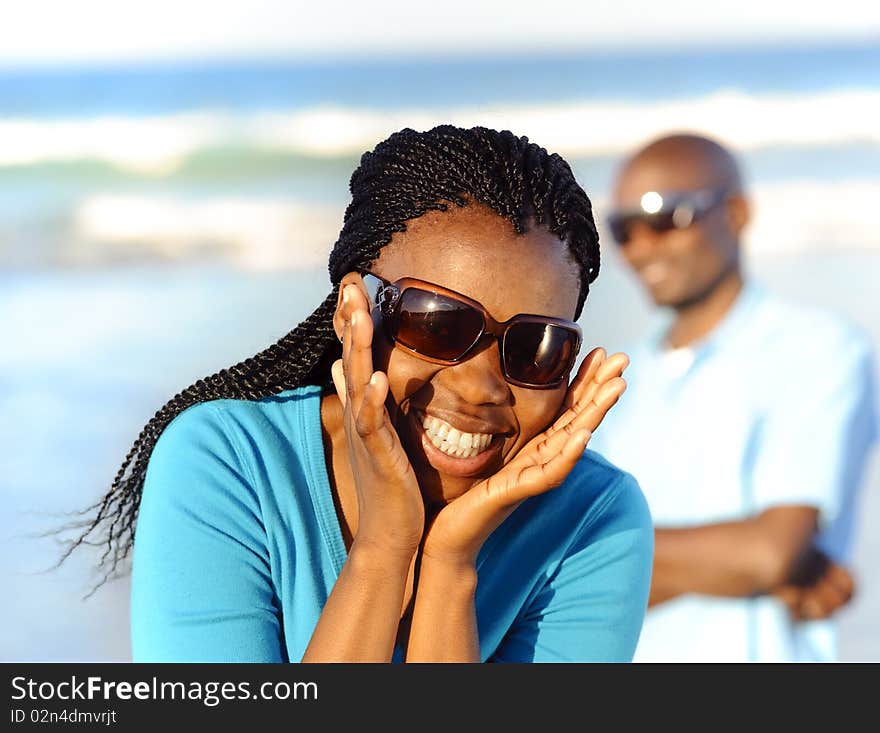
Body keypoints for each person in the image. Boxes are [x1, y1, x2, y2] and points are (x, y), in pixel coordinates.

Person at [64, 125, 654, 662]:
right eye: (437, 323)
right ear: (355, 313)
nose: (482, 386)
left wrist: (450, 566)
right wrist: (384, 547)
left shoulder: (595, 519)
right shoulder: (227, 461)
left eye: (536, 347)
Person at [589, 132, 879, 662]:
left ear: (738, 213)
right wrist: (736, 564)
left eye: (665, 217)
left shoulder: (817, 348)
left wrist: (603, 556)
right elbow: (556, 566)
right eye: (623, 227)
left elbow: (769, 554)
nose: (642, 246)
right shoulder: (610, 380)